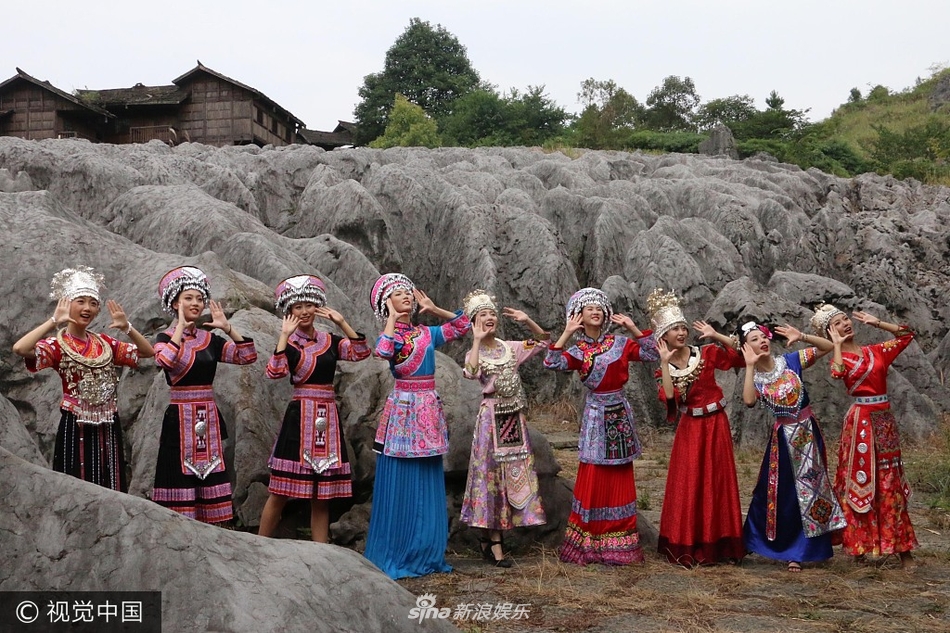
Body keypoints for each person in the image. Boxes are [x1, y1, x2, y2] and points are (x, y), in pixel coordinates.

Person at [363, 273, 472, 579]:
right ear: (386, 302)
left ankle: (427, 548)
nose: (407, 296)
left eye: (407, 292)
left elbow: (464, 326)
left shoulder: (426, 333)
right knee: (401, 473)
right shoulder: (393, 337)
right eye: (398, 294)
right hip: (403, 409)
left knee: (427, 473)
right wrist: (390, 319)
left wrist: (435, 309)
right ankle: (398, 547)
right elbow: (382, 352)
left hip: (426, 407)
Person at [543, 287, 658, 565]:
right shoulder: (578, 350)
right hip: (596, 415)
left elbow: (653, 352)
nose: (595, 312)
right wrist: (567, 333)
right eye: (589, 308)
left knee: (619, 474)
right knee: (593, 473)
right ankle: (589, 540)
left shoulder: (620, 343)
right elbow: (552, 362)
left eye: (599, 308)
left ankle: (620, 541)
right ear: (578, 315)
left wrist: (631, 326)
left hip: (618, 413)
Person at [13, 266, 154, 491]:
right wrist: (53, 321)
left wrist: (127, 327)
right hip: (75, 423)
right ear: (67, 304)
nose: (87, 308)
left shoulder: (105, 343)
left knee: (111, 480)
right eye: (80, 301)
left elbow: (147, 352)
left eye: (93, 303)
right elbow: (20, 348)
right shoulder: (58, 345)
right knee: (77, 481)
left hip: (108, 421)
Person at [258, 275, 371, 542]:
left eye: (309, 305)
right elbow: (274, 372)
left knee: (322, 496)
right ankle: (258, 543)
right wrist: (283, 337)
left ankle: (321, 552)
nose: (305, 311)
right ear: (289, 312)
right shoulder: (289, 343)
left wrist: (342, 322)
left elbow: (361, 353)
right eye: (298, 307)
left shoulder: (330, 341)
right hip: (299, 418)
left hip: (326, 417)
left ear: (317, 306)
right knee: (280, 490)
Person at [812, 303, 919, 569]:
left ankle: (903, 551)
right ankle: (859, 545)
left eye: (846, 320)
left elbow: (907, 335)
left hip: (883, 420)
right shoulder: (841, 358)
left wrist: (878, 323)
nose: (846, 324)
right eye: (837, 323)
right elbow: (837, 373)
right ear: (829, 331)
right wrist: (836, 345)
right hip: (860, 421)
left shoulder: (876, 351)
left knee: (889, 481)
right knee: (860, 480)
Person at [151, 266, 258, 525]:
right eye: (188, 298)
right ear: (175, 303)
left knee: (210, 473)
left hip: (207, 417)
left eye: (200, 299)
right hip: (179, 418)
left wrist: (227, 327)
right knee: (180, 478)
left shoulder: (209, 339)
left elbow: (247, 356)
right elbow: (165, 361)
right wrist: (179, 328)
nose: (196, 303)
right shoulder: (164, 337)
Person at [738, 320, 846, 572]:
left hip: (807, 434)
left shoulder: (791, 361)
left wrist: (803, 336)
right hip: (782, 439)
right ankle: (755, 541)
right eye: (754, 340)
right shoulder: (755, 377)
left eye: (762, 337)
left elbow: (828, 346)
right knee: (776, 492)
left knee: (810, 491)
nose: (762, 341)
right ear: (745, 348)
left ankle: (801, 551)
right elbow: (749, 401)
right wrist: (749, 367)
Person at [649, 288, 746, 567]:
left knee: (717, 480)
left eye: (682, 327)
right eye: (674, 329)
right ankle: (690, 543)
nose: (681, 333)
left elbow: (739, 356)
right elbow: (669, 397)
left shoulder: (707, 353)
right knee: (690, 483)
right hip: (690, 428)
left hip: (716, 425)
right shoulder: (663, 368)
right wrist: (665, 364)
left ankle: (723, 544)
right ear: (663, 336)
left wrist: (717, 335)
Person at [460, 290, 548, 568]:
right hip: (490, 419)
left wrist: (527, 320)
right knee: (490, 477)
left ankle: (495, 536)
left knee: (513, 474)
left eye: (492, 314)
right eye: (483, 315)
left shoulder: (510, 347)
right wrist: (474, 340)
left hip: (513, 418)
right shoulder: (474, 350)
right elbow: (471, 372)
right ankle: (494, 541)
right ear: (474, 321)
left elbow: (545, 341)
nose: (490, 318)